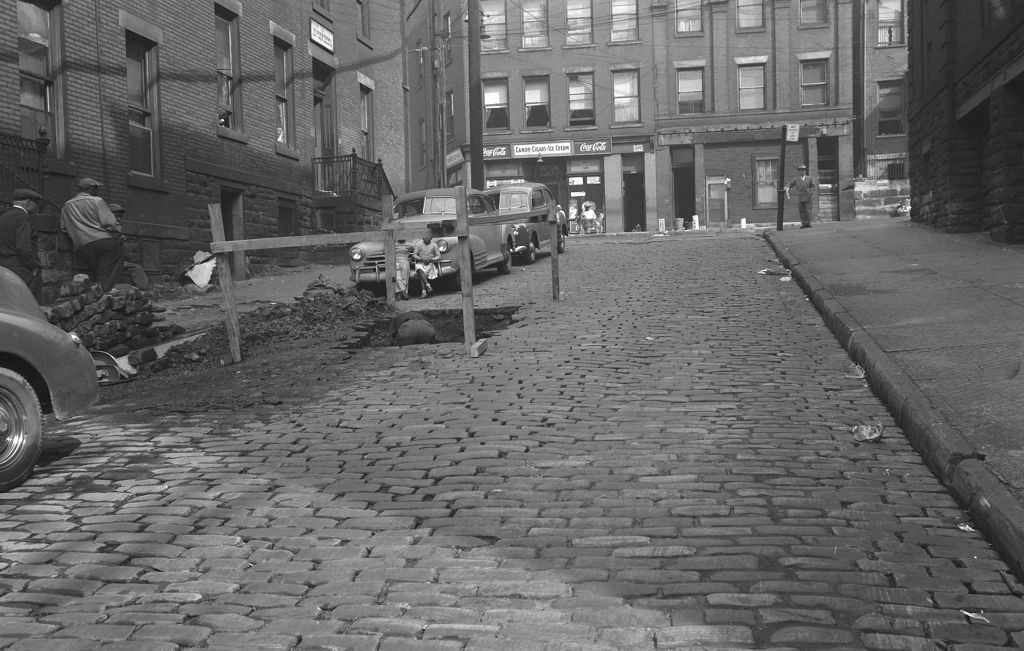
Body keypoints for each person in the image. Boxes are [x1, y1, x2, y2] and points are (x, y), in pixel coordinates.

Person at [61, 177, 125, 291]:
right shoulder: (97, 201)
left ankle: (92, 298)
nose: (97, 191)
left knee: (91, 273)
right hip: (103, 241)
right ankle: (106, 295)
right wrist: (119, 232)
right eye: (96, 188)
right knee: (109, 272)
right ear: (90, 189)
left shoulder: (67, 205)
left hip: (82, 245)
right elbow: (109, 223)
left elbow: (64, 228)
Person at [0, 188, 44, 297]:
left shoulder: (4, 217)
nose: (36, 209)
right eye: (36, 204)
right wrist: (33, 265)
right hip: (21, 268)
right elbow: (23, 247)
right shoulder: (22, 217)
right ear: (29, 203)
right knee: (28, 303)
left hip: (4, 266)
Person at [786, 164, 816, 229]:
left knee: (808, 210)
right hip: (800, 197)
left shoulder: (810, 178)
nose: (802, 172)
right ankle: (803, 223)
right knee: (801, 211)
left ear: (805, 171)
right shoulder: (796, 179)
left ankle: (808, 223)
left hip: (808, 197)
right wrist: (787, 187)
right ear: (799, 172)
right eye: (800, 171)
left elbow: (813, 187)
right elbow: (790, 184)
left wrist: (810, 192)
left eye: (803, 170)